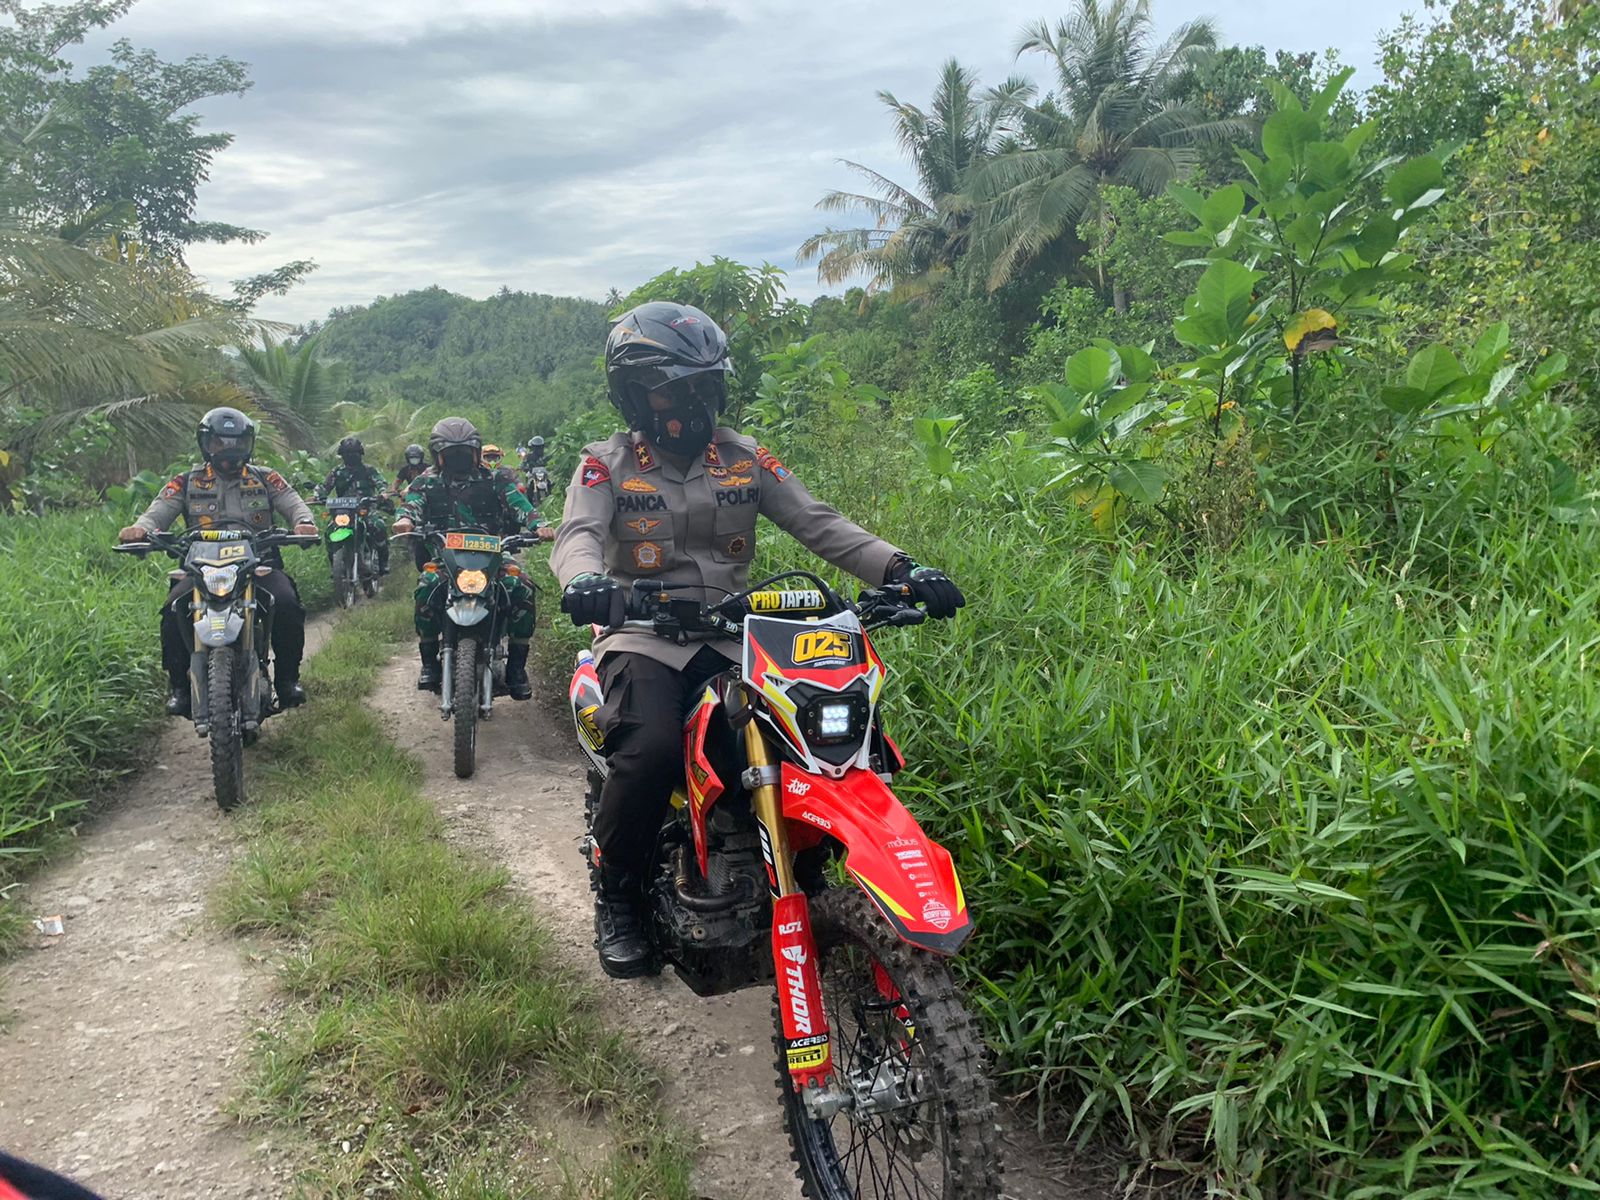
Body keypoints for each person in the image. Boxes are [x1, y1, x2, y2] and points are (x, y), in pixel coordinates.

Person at [551, 301, 964, 977]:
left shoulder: (743, 459)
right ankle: (618, 897)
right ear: (637, 392)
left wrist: (901, 569)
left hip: (740, 634)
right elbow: (579, 537)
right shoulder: (606, 464)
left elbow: (819, 523)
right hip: (645, 635)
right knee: (650, 749)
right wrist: (587, 581)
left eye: (703, 382)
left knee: (813, 736)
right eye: (674, 385)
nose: (693, 398)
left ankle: (804, 879)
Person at [118, 407, 318, 715]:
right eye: (220, 442)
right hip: (201, 569)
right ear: (206, 444)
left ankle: (287, 681)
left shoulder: (266, 478)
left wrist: (303, 522)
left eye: (236, 442)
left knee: (287, 604)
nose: (228, 450)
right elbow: (158, 511)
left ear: (248, 444)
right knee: (174, 611)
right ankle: (181, 689)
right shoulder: (187, 482)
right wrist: (140, 530)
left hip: (258, 565)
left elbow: (293, 503)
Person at [391, 418, 552, 701]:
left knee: (521, 587)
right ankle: (429, 662)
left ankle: (516, 668)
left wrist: (538, 525)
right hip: (445, 556)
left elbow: (520, 504)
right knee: (427, 586)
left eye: (464, 452)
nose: (458, 459)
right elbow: (411, 504)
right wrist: (405, 519)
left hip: (493, 554)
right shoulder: (425, 481)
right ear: (439, 456)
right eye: (451, 454)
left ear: (476, 453)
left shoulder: (497, 478)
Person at [315, 435, 392, 575]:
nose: (351, 456)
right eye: (347, 454)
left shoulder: (369, 470)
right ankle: (335, 566)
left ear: (360, 454)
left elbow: (381, 482)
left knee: (378, 526)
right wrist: (318, 496)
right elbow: (324, 486)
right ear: (342, 455)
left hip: (366, 508)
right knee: (329, 532)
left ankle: (383, 561)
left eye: (354, 453)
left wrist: (383, 493)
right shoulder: (336, 472)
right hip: (343, 511)